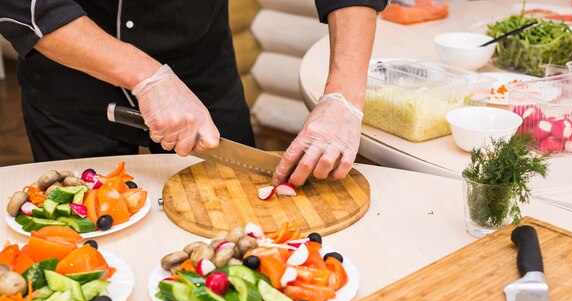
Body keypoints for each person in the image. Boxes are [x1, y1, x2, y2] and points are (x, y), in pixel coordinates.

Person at [0, 1, 386, 186]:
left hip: (201, 64)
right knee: (83, 239)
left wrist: (344, 96)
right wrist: (148, 77)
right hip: (73, 68)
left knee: (238, 205)